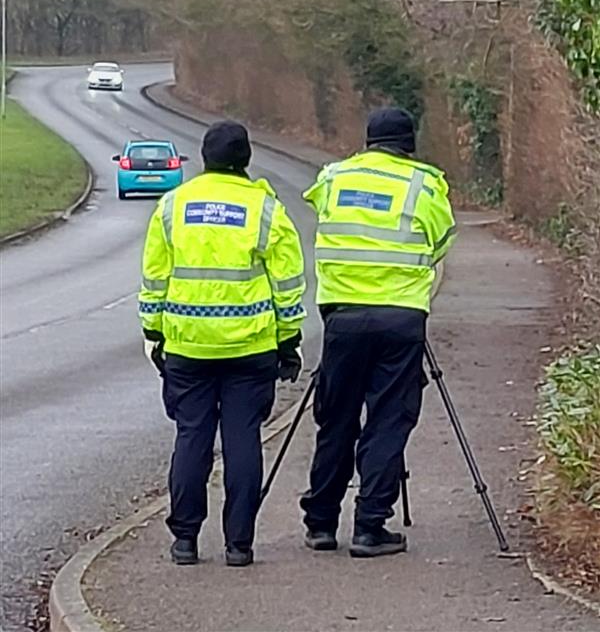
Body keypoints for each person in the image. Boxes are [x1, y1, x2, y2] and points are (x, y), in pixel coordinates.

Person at [139, 121, 306, 567]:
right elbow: (288, 285)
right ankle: (239, 543)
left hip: (188, 347)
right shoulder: (266, 210)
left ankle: (185, 539)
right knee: (243, 440)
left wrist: (154, 333)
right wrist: (288, 341)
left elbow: (154, 278)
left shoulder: (172, 207)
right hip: (250, 349)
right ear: (247, 159)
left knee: (191, 437)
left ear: (204, 157)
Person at [300, 107, 456, 558]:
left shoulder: (333, 178)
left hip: (343, 318)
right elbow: (441, 243)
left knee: (336, 418)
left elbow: (319, 207)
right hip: (400, 318)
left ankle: (321, 523)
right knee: (390, 417)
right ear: (409, 144)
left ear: (368, 142)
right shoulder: (425, 184)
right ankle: (370, 526)